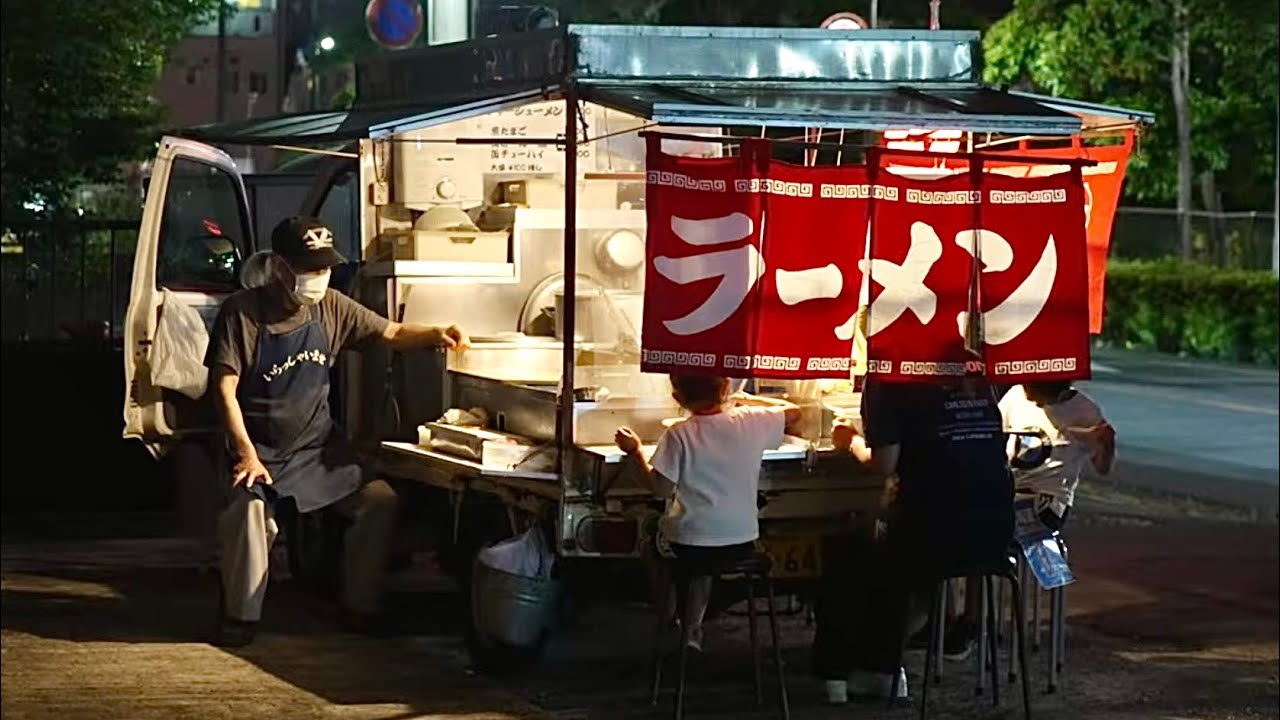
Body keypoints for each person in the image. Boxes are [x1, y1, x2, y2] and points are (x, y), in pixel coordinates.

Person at [206, 216, 469, 647]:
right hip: (262, 453)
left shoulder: (332, 307)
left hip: (317, 451)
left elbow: (391, 331)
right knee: (252, 517)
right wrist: (245, 454)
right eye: (308, 268)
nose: (317, 278)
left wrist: (435, 334)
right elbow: (223, 388)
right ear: (278, 267)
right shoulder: (244, 312)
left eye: (324, 268)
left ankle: (358, 606)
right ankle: (240, 619)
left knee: (379, 501)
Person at [815, 371, 1014, 703]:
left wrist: (849, 439)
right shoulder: (981, 371)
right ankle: (881, 668)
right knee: (888, 550)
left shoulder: (887, 378)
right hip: (993, 536)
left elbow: (884, 463)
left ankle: (843, 672)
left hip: (930, 535)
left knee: (846, 545)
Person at [614, 376, 800, 651]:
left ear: (678, 399)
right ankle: (693, 629)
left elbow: (660, 490)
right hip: (741, 544)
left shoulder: (679, 434)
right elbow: (794, 413)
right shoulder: (751, 420)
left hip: (689, 547)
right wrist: (747, 399)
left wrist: (636, 451)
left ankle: (668, 617)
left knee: (652, 545)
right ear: (726, 387)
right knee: (705, 559)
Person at [999, 381, 1116, 531]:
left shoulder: (1085, 410)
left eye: (1034, 391)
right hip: (1010, 487)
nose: (1029, 397)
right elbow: (994, 433)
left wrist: (1106, 444)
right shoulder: (1015, 395)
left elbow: (1102, 467)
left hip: (1050, 494)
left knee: (1022, 529)